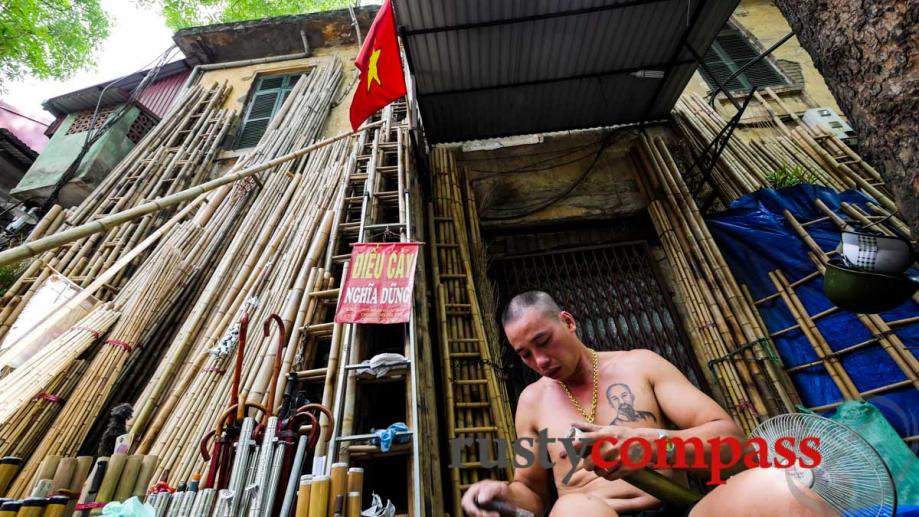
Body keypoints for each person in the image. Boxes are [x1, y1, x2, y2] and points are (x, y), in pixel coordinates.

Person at [461, 291, 837, 517]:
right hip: (587, 513)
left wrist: (647, 445)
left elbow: (733, 446)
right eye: (525, 354)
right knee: (576, 510)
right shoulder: (531, 401)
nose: (540, 361)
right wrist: (503, 493)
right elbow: (533, 495)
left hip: (682, 507)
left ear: (568, 321)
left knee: (780, 487)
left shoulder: (640, 364)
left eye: (544, 341)